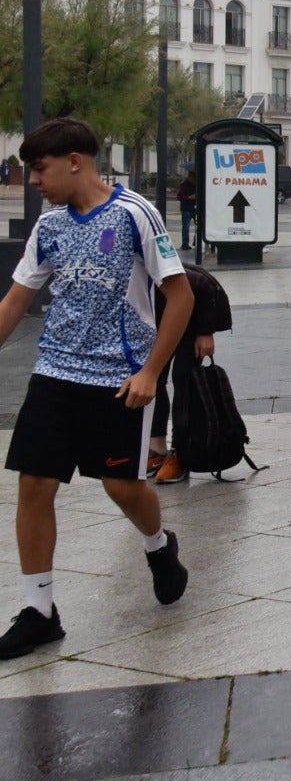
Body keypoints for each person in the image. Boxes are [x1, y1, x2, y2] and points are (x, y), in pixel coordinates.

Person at [0, 118, 193, 660]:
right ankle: (39, 611)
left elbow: (180, 297)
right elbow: (15, 301)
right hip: (55, 372)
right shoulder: (49, 226)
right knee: (34, 484)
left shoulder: (134, 214)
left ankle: (158, 546)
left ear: (74, 162)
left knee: (122, 488)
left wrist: (150, 372)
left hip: (119, 379)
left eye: (39, 169)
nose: (33, 181)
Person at [147, 263, 233, 483]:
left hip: (193, 320)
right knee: (153, 379)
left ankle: (181, 452)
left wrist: (205, 332)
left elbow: (201, 285)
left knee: (184, 381)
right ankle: (157, 449)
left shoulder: (149, 265)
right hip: (161, 322)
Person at [176, 171, 197, 250]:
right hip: (186, 208)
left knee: (196, 226)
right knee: (186, 227)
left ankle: (195, 241)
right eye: (192, 178)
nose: (193, 180)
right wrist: (189, 197)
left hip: (194, 207)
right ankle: (185, 244)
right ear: (189, 177)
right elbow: (179, 197)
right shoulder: (184, 185)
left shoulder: (196, 185)